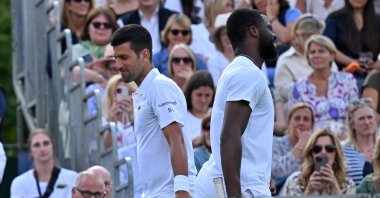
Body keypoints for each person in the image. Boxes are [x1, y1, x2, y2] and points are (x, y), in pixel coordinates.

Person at [195, 8, 278, 197]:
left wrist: (261, 178)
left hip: (237, 183)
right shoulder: (247, 73)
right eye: (269, 28)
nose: (274, 36)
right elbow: (230, 135)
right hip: (235, 187)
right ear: (254, 31)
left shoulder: (240, 70)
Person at [110, 24, 197, 197]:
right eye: (116, 58)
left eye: (124, 57)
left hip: (171, 193)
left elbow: (176, 139)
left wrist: (181, 190)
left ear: (145, 55)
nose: (118, 64)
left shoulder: (160, 86)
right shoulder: (145, 91)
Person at [288, 35, 359, 138]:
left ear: (332, 55)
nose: (316, 55)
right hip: (313, 142)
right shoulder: (299, 87)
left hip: (346, 138)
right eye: (312, 52)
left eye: (321, 51)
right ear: (308, 57)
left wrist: (349, 137)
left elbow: (356, 113)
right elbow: (295, 121)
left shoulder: (347, 80)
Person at [275, 14, 338, 106]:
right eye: (305, 35)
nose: (310, 39)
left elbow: (336, 86)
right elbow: (285, 92)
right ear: (296, 35)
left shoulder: (326, 58)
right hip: (299, 111)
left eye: (314, 35)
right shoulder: (285, 60)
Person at [285, 129, 356, 196]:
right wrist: (309, 191)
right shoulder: (296, 181)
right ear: (311, 155)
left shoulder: (347, 184)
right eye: (317, 149)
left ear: (336, 154)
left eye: (329, 148)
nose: (323, 152)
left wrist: (335, 187)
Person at [11, 128, 78, 197]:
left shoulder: (72, 178)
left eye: (46, 143)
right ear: (30, 151)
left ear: (53, 147)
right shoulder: (20, 183)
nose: (42, 149)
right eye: (37, 145)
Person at [323, 0, 380, 72]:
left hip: (375, 74)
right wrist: (352, 62)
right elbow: (327, 46)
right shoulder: (334, 19)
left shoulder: (378, 20)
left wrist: (377, 64)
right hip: (344, 73)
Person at [272, 103, 314, 190]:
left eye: (306, 119)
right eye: (297, 118)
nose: (301, 123)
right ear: (288, 123)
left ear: (312, 125)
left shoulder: (317, 147)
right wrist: (300, 145)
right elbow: (276, 173)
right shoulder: (275, 143)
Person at [343, 97, 378, 186]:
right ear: (352, 125)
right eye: (361, 119)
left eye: (370, 117)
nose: (367, 122)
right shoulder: (342, 150)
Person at [183, 71, 215, 145]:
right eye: (199, 95)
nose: (203, 100)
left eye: (207, 95)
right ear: (190, 93)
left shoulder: (218, 114)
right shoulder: (182, 116)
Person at [208, 12, 234, 85]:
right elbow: (216, 88)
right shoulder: (213, 61)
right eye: (224, 34)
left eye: (231, 32)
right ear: (218, 38)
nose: (228, 37)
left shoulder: (253, 57)